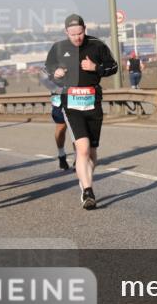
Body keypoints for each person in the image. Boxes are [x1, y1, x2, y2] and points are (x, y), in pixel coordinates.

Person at [45, 14, 118, 209]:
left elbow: (113, 67)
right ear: (65, 32)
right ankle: (88, 191)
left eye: (80, 33)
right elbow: (47, 69)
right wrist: (55, 73)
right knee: (82, 149)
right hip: (71, 103)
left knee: (92, 154)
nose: (77, 37)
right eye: (72, 34)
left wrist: (96, 67)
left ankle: (83, 176)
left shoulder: (97, 45)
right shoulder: (59, 48)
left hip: (93, 103)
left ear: (85, 29)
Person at [38, 71, 70, 170]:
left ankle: (79, 158)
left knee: (76, 128)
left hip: (75, 96)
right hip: (59, 98)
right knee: (61, 127)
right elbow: (43, 77)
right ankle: (61, 155)